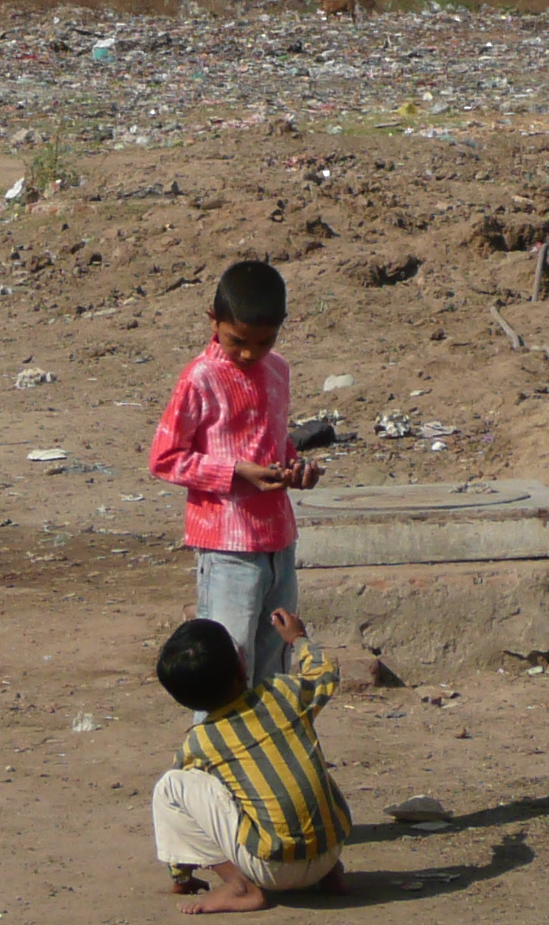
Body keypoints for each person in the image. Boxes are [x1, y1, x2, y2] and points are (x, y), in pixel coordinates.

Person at [149, 260, 319, 689]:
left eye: (263, 342)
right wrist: (237, 472)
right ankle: (210, 756)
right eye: (237, 341)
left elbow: (276, 443)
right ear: (214, 321)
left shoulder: (277, 369)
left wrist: (295, 469)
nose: (249, 353)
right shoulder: (200, 378)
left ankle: (266, 754)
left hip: (278, 540)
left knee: (274, 665)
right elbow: (165, 458)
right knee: (224, 668)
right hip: (226, 544)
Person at [150, 608, 352, 912]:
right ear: (242, 666)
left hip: (270, 869)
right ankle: (328, 874)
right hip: (330, 850)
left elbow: (180, 815)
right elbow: (324, 674)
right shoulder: (282, 693)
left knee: (171, 786)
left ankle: (238, 885)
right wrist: (298, 639)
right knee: (292, 759)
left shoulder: (201, 741)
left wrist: (181, 874)